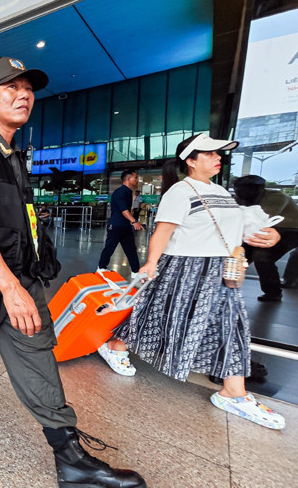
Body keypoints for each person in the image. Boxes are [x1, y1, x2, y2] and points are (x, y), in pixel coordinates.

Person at [0, 57, 145, 487]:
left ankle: (70, 458)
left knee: (39, 359)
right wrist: (9, 287)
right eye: (11, 88)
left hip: (21, 279)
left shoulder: (15, 158)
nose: (23, 94)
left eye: (28, 88)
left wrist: (30, 272)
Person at [101, 133, 285, 430]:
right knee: (158, 314)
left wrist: (269, 235)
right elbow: (162, 232)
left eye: (218, 155)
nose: (218, 158)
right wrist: (150, 263)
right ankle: (115, 345)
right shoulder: (180, 191)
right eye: (211, 154)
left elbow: (240, 227)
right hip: (184, 266)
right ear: (190, 160)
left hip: (221, 269)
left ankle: (234, 393)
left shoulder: (222, 192)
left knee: (233, 324)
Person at [233, 175, 298, 302]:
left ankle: (273, 292)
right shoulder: (241, 198)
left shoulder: (276, 197)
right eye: (239, 189)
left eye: (247, 189)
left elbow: (262, 218)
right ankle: (229, 284)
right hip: (262, 230)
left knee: (262, 256)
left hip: (290, 230)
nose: (241, 192)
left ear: (260, 188)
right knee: (239, 255)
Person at [97, 170, 143, 276]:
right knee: (110, 247)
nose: (137, 180)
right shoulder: (120, 192)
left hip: (125, 226)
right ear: (128, 179)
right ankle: (101, 268)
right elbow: (124, 210)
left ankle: (135, 271)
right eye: (135, 178)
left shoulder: (128, 191)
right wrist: (134, 221)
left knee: (131, 249)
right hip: (116, 225)